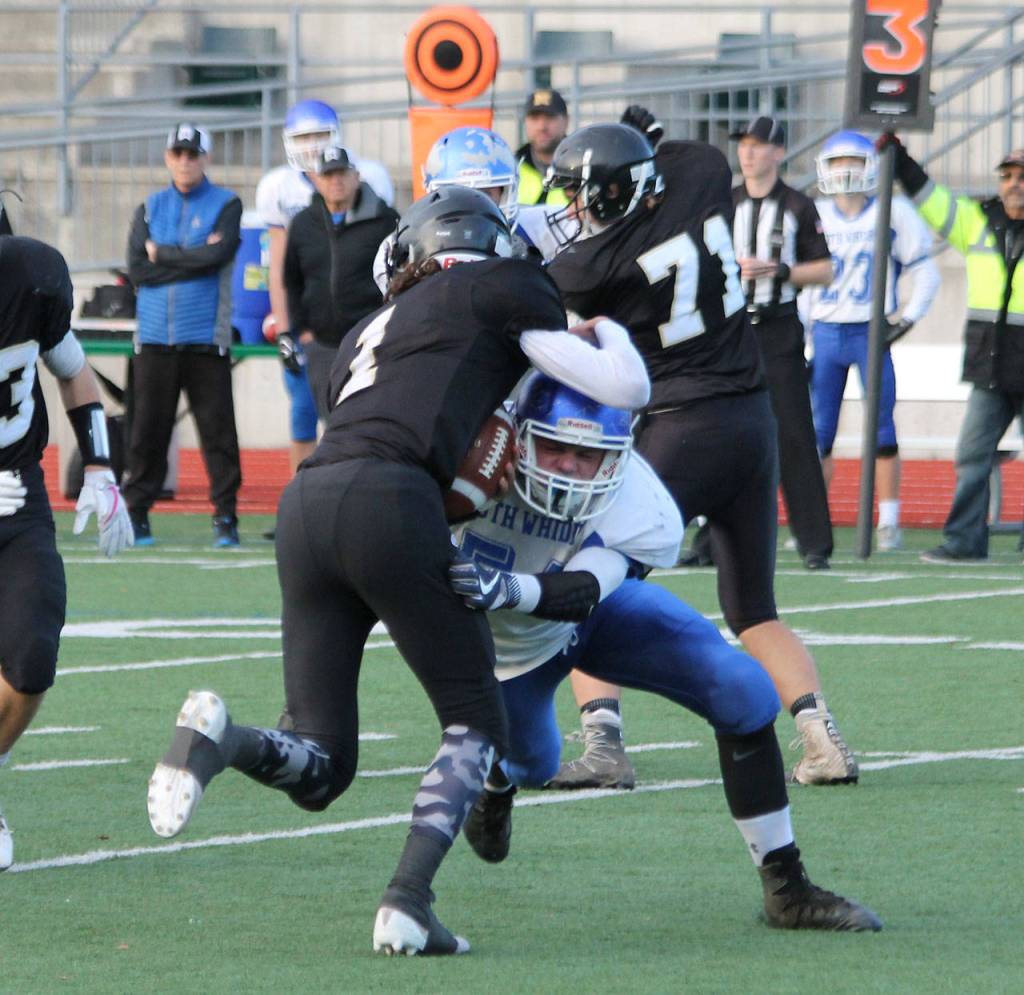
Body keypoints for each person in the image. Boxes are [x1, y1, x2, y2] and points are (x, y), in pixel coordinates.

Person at [146, 186, 650, 956]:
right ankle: (409, 900)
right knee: (478, 720)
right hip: (392, 497)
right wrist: (602, 327)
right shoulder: (504, 285)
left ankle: (219, 739)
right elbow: (620, 386)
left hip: (307, 503)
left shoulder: (366, 330)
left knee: (321, 765)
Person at [448, 373, 882, 932]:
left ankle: (786, 886)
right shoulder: (469, 456)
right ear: (515, 435)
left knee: (742, 688)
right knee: (533, 764)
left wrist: (508, 588)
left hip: (587, 606)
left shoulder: (641, 497)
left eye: (588, 453)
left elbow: (581, 592)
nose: (569, 467)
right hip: (511, 651)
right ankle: (497, 782)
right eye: (553, 447)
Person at [544, 123, 859, 787]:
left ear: (609, 194)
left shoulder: (594, 267)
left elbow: (560, 278)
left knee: (586, 578)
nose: (572, 207)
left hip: (681, 427)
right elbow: (671, 154)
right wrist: (633, 141)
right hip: (751, 417)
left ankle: (603, 743)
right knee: (753, 607)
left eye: (581, 194)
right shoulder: (702, 173)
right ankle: (821, 737)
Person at [1, 234, 133, 869]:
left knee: (32, 656)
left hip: (16, 499)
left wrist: (101, 467)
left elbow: (75, 369)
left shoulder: (32, 283)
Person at [878, 138, 1024, 562]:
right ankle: (963, 542)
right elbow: (929, 197)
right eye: (1008, 176)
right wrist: (900, 158)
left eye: (1022, 177)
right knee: (972, 457)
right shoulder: (976, 220)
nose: (1014, 184)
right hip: (991, 364)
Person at [805, 130, 940, 552]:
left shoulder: (893, 211)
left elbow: (926, 271)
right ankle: (816, 522)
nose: (845, 171)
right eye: (837, 162)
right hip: (826, 331)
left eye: (854, 162)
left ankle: (890, 520)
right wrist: (802, 333)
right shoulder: (814, 214)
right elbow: (801, 284)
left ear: (870, 167)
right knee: (818, 433)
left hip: (869, 329)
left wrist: (908, 318)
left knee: (882, 431)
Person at [256, 100, 394, 482]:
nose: (312, 144)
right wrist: (288, 329)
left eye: (319, 135)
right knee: (303, 409)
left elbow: (392, 269)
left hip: (363, 331)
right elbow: (285, 274)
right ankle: (303, 498)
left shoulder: (376, 201)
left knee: (361, 414)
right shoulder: (292, 206)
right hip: (315, 331)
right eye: (304, 137)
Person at [123, 123, 243, 547]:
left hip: (205, 338)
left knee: (218, 433)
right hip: (155, 338)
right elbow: (138, 270)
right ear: (167, 157)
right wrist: (192, 258)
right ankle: (136, 513)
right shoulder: (150, 207)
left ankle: (226, 516)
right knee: (146, 432)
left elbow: (218, 256)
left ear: (205, 158)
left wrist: (165, 255)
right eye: (178, 153)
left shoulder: (227, 203)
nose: (185, 161)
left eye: (192, 154)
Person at [731, 116, 835, 570]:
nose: (748, 153)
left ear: (778, 152)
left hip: (777, 328)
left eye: (758, 145)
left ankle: (814, 542)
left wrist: (781, 272)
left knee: (793, 434)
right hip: (732, 330)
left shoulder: (796, 205)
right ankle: (714, 541)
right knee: (726, 433)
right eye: (744, 145)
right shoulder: (724, 204)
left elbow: (826, 269)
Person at [283, 145, 398, 419]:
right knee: (331, 425)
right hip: (322, 345)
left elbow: (401, 277)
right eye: (328, 174)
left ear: (356, 177)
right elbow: (292, 280)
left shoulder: (385, 220)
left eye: (342, 174)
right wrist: (302, 331)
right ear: (316, 180)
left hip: (370, 343)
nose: (336, 181)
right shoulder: (303, 224)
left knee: (371, 419)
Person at [516, 89, 571, 209]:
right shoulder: (512, 169)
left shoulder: (582, 169)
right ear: (525, 122)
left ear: (566, 121)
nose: (542, 126)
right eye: (535, 118)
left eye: (550, 117)